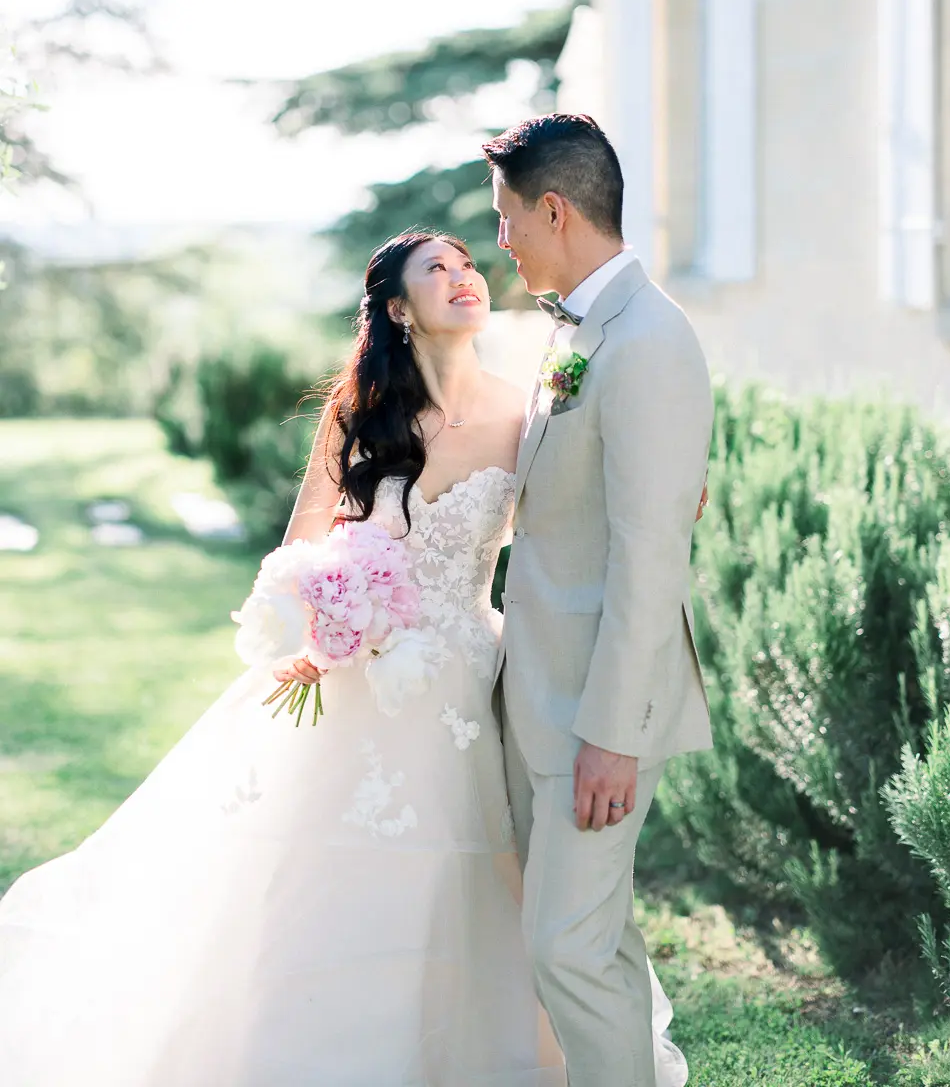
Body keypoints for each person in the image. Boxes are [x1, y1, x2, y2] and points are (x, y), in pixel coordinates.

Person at [0, 228, 687, 1085]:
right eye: (437, 270)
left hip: (472, 684)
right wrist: (316, 619)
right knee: (321, 879)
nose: (464, 276)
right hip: (357, 680)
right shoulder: (358, 414)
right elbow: (301, 545)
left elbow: (578, 517)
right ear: (399, 309)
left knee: (489, 884)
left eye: (468, 263)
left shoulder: (527, 412)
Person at [485, 114, 714, 1087]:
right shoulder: (579, 330)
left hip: (597, 715)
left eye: (506, 219)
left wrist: (614, 735)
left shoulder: (650, 339)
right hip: (541, 695)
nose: (500, 240)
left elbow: (651, 556)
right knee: (593, 945)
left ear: (553, 208)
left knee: (567, 954)